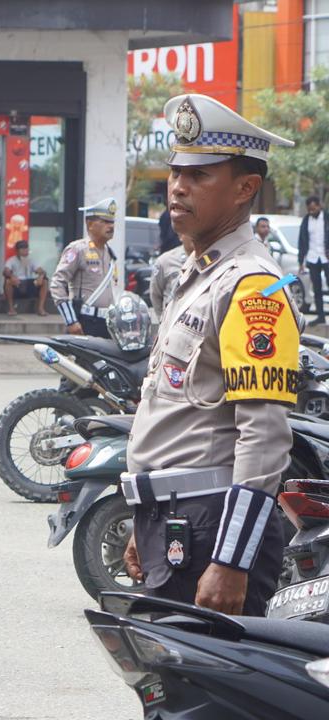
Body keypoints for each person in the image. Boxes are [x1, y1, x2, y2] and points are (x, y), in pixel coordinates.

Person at [123, 93, 299, 616]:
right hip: (177, 519)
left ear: (245, 188)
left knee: (199, 669)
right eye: (176, 171)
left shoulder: (252, 286)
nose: (178, 186)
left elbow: (263, 436)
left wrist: (231, 560)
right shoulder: (197, 273)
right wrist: (145, 518)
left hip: (212, 526)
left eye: (199, 175)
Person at [50, 197, 119, 338]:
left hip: (107, 322)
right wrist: (71, 321)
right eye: (105, 221)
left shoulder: (109, 252)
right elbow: (57, 284)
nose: (111, 226)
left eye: (112, 222)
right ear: (90, 224)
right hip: (85, 321)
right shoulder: (78, 249)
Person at [298, 196, 329, 324]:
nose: (311, 211)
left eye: (313, 208)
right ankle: (320, 316)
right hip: (312, 257)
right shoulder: (306, 220)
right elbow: (302, 241)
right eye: (309, 209)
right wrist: (301, 261)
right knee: (316, 288)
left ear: (319, 206)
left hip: (326, 257)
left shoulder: (327, 218)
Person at [2, 240, 48, 316]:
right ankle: (11, 309)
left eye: (26, 249)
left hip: (29, 284)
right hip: (17, 284)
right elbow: (5, 271)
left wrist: (41, 276)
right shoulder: (11, 260)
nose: (25, 251)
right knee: (8, 281)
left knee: (44, 281)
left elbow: (41, 270)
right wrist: (12, 276)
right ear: (17, 251)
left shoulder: (31, 260)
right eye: (22, 249)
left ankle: (41, 309)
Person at [148, 239, 192, 319]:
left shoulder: (211, 258)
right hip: (171, 320)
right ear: (180, 235)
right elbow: (155, 294)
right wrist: (163, 319)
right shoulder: (165, 261)